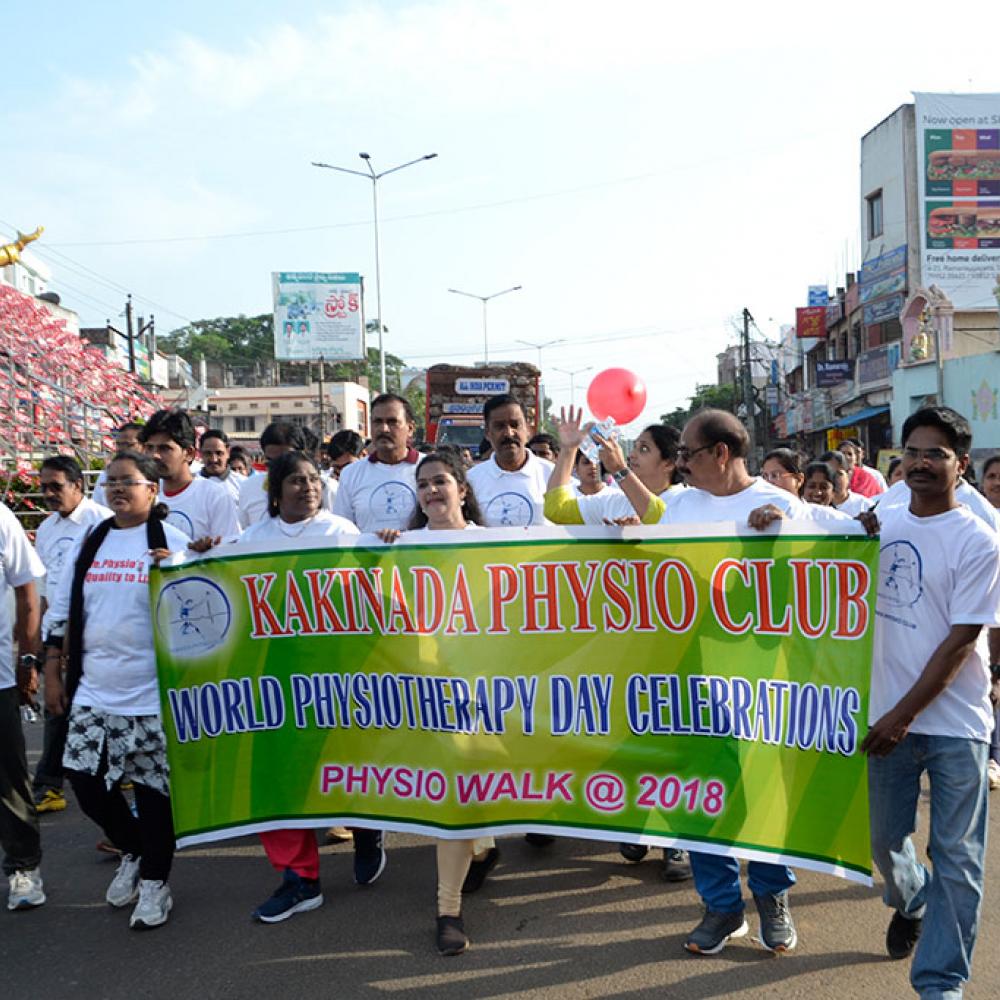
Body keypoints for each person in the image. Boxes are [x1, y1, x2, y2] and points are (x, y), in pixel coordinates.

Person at [658, 409, 810, 956]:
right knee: (702, 792)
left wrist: (781, 541)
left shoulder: (783, 506)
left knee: (764, 790)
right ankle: (721, 905)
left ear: (721, 453)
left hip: (762, 677)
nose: (682, 465)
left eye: (689, 455)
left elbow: (820, 577)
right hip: (692, 673)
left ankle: (772, 896)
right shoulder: (677, 507)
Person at [860, 406, 1000, 999]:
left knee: (959, 859)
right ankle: (912, 897)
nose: (920, 462)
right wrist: (773, 519)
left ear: (960, 465)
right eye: (911, 451)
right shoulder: (882, 516)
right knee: (885, 845)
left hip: (955, 724)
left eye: (936, 453)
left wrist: (900, 716)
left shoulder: (978, 540)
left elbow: (959, 643)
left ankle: (940, 982)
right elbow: (811, 534)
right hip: (885, 718)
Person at [222, 453, 391, 924]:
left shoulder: (342, 533)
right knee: (277, 777)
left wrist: (391, 549)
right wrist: (197, 555)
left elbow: (377, 589)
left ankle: (367, 828)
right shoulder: (251, 541)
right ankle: (300, 880)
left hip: (339, 675)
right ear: (275, 492)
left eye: (314, 479)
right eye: (296, 480)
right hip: (276, 682)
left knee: (347, 764)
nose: (307, 487)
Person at [43, 451, 190, 930]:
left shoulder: (172, 540)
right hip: (95, 689)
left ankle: (155, 883)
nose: (118, 490)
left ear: (153, 488)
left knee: (152, 792)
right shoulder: (94, 539)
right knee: (84, 783)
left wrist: (182, 569)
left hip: (151, 693)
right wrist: (50, 668)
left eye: (129, 481)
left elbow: (203, 604)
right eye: (111, 483)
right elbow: (63, 604)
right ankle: (133, 847)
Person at [375, 450, 496, 957]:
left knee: (481, 782)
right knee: (455, 792)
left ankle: (485, 845)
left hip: (496, 687)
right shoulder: (405, 548)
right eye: (421, 484)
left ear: (462, 490)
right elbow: (380, 610)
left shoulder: (499, 545)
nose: (430, 491)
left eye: (440, 481)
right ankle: (448, 910)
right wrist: (379, 557)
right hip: (432, 691)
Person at [32, 456, 111, 815]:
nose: (48, 493)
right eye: (44, 486)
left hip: (96, 631)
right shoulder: (48, 528)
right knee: (57, 706)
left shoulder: (102, 522)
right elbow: (45, 587)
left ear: (78, 485)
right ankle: (50, 785)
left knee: (97, 706)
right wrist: (47, 639)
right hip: (59, 629)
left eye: (56, 486)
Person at [0, 500, 45, 912]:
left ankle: (24, 867)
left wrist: (28, 659)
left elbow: (27, 591)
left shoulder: (1, 517)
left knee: (9, 780)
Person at [545, 414, 683, 527]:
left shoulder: (685, 500)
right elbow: (556, 509)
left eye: (644, 449)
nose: (632, 455)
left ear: (669, 463)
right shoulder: (614, 502)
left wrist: (620, 470)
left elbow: (662, 519)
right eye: (634, 447)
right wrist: (569, 450)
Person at [139, 409, 239, 542]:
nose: (154, 455)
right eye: (149, 448)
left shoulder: (215, 496)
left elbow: (229, 552)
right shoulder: (140, 494)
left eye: (165, 448)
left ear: (189, 453)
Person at [333, 395, 420, 532]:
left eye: (392, 422)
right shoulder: (351, 474)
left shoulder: (429, 469)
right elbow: (342, 531)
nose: (384, 429)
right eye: (377, 422)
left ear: (410, 428)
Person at [467, 395, 553, 527]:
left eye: (515, 425)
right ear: (487, 433)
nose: (508, 433)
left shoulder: (553, 476)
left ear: (528, 430)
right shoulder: (471, 481)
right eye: (499, 426)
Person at [239, 422, 336, 528]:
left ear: (303, 454)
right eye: (272, 462)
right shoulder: (249, 487)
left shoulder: (326, 488)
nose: (279, 468)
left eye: (286, 460)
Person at [91, 421, 143, 506]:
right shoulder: (105, 475)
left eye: (129, 444)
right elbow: (97, 507)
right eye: (119, 444)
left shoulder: (154, 475)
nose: (122, 449)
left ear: (144, 446)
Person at [819, 451, 871, 516]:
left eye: (839, 473)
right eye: (829, 473)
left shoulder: (865, 506)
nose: (834, 478)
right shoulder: (814, 507)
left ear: (849, 475)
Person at [198, 429, 244, 502]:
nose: (214, 459)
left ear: (228, 452)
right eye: (208, 453)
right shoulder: (189, 483)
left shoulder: (242, 484)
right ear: (200, 453)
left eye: (219, 453)